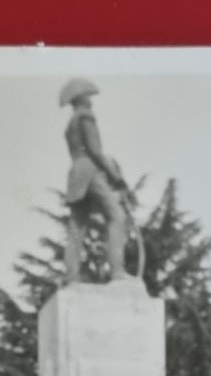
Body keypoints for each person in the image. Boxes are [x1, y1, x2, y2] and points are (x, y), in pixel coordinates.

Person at [58, 77, 130, 283]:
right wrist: (116, 176)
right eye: (88, 96)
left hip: (75, 174)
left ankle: (71, 277)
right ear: (81, 98)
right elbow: (95, 151)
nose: (91, 100)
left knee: (77, 227)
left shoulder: (70, 124)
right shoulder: (86, 117)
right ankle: (118, 272)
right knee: (117, 216)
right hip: (90, 171)